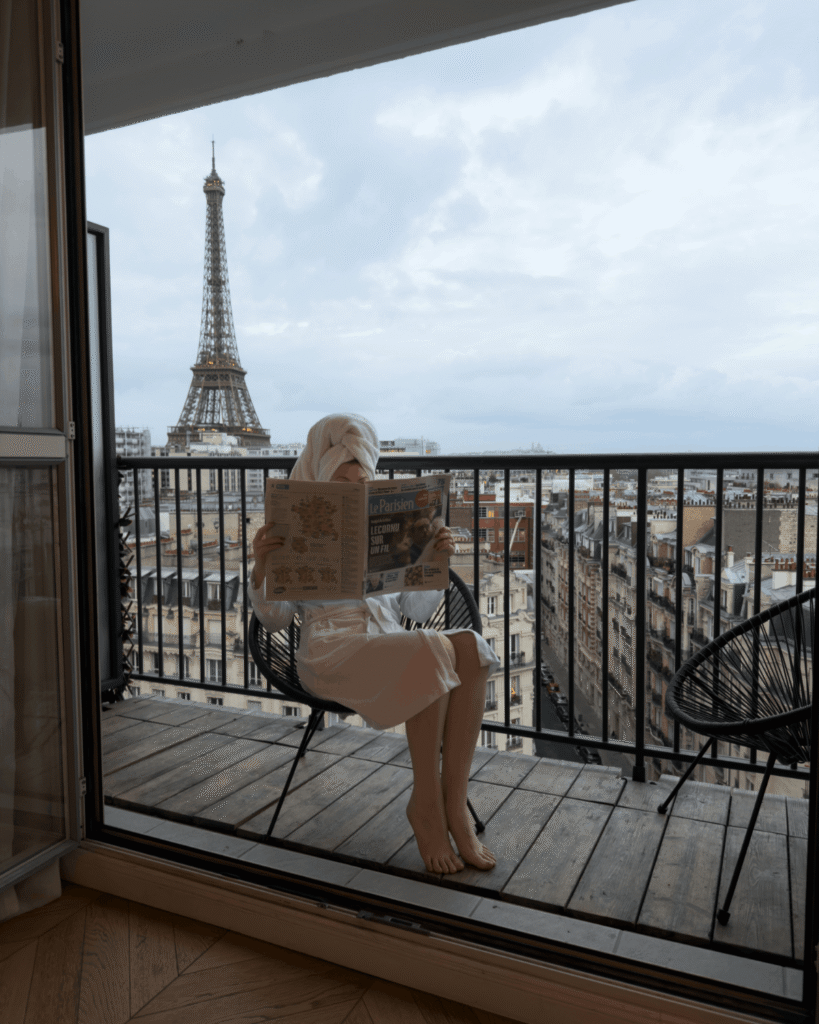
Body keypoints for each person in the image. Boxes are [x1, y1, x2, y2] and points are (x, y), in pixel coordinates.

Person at [249, 413, 499, 874]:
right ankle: (426, 807)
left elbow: (419, 612)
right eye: (341, 483)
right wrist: (262, 569)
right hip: (329, 651)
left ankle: (454, 802)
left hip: (388, 639)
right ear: (320, 481)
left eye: (361, 482)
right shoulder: (290, 526)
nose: (353, 492)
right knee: (429, 651)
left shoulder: (382, 524)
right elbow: (275, 620)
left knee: (470, 646)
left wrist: (433, 561)